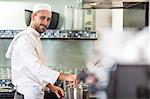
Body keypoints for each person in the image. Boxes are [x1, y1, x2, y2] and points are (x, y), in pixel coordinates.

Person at [5, 3, 78, 99]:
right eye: (42, 18)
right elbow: (37, 68)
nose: (45, 22)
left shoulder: (34, 38)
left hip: (34, 94)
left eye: (48, 19)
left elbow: (34, 72)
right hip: (26, 95)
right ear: (33, 16)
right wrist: (66, 76)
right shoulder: (25, 40)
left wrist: (51, 87)